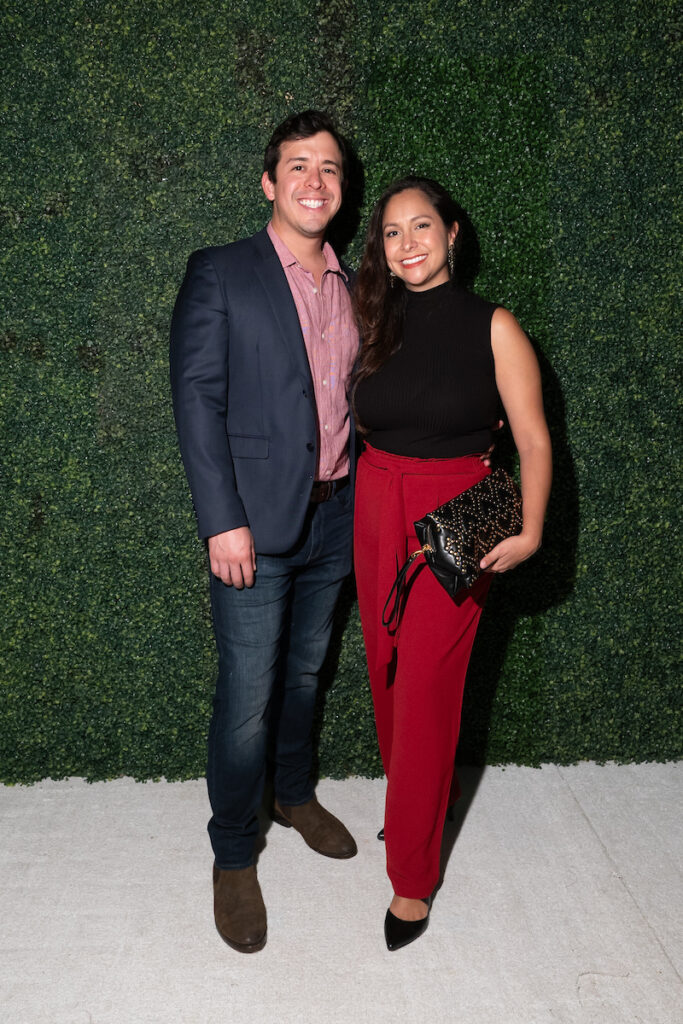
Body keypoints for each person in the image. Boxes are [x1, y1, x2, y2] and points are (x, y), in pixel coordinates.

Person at [169, 111, 360, 954]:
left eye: (329, 168)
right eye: (298, 166)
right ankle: (232, 852)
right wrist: (223, 520)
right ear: (268, 182)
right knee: (247, 694)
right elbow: (196, 399)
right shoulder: (222, 271)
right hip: (254, 523)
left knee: (309, 670)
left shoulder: (356, 281)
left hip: (340, 512)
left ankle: (291, 793)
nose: (315, 181)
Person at [352, 176, 552, 951]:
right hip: (376, 500)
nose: (407, 243)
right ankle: (410, 807)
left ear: (453, 232)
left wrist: (530, 528)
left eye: (422, 226)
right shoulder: (374, 319)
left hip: (458, 513)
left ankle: (411, 877)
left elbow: (532, 440)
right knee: (387, 670)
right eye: (392, 232)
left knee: (431, 685)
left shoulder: (494, 325)